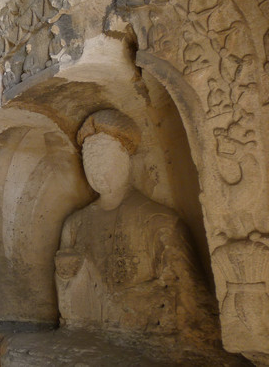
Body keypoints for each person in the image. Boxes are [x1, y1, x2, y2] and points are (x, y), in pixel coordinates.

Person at [54, 109, 217, 341]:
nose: (95, 166)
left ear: (126, 159)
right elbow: (69, 305)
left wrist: (129, 301)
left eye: (103, 155)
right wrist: (66, 279)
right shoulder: (74, 224)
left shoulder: (160, 221)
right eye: (88, 158)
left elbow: (193, 304)